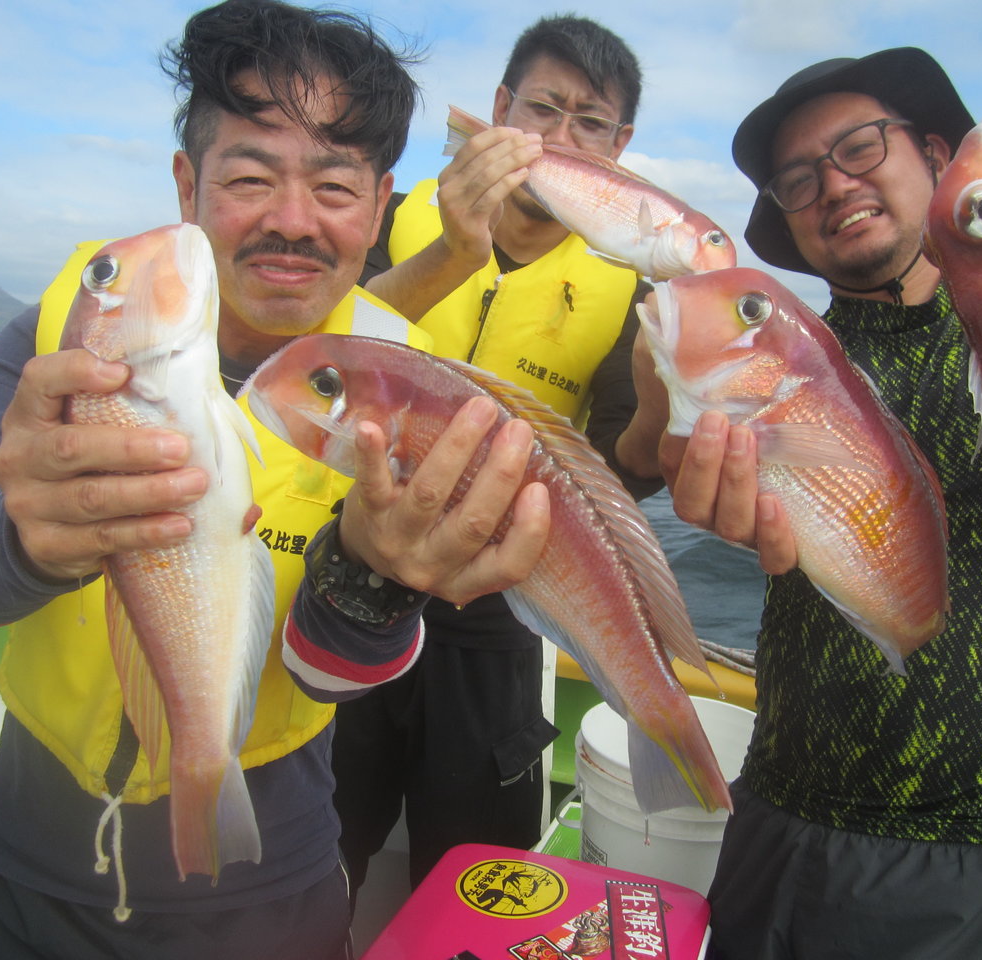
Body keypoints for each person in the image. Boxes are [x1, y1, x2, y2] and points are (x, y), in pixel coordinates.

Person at [0, 3, 551, 959]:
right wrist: (20, 538)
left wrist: (373, 581)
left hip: (271, 885)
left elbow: (328, 673)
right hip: (26, 867)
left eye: (335, 186)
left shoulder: (401, 388)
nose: (292, 220)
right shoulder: (66, 333)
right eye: (249, 177)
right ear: (186, 184)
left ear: (379, 208)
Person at [634, 49, 982, 959]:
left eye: (858, 147)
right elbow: (654, 454)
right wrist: (676, 441)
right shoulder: (785, 362)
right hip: (779, 816)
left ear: (936, 154)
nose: (834, 184)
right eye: (799, 180)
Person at [331, 15, 663, 893]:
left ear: (620, 146)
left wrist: (665, 407)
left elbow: (622, 469)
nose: (559, 139)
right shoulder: (395, 216)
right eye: (542, 110)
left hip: (496, 602)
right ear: (501, 108)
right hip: (345, 565)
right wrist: (449, 250)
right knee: (323, 838)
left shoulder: (631, 287)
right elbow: (315, 354)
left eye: (590, 123)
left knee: (476, 873)